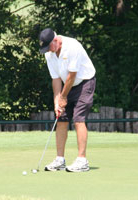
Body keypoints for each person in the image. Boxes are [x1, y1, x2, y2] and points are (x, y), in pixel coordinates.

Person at [38, 28, 96, 172]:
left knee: (78, 119)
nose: (48, 51)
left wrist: (64, 97)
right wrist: (57, 102)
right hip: (67, 85)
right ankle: (60, 160)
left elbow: (72, 76)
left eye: (49, 47)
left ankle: (82, 161)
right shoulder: (49, 54)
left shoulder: (72, 46)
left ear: (56, 41)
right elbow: (56, 79)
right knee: (61, 118)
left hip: (84, 82)